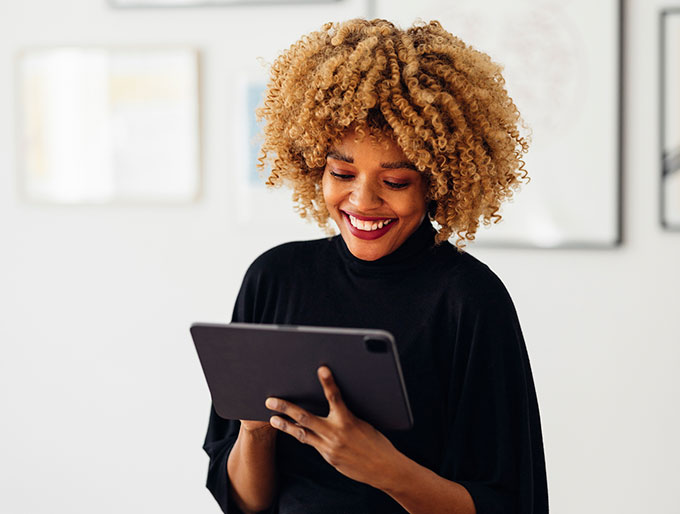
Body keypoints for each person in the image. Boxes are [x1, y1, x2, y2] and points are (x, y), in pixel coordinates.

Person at [202, 18, 549, 514]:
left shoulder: (468, 299)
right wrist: (253, 432)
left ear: (438, 181)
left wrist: (384, 470)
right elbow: (244, 504)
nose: (362, 202)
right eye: (342, 173)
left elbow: (510, 504)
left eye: (397, 181)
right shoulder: (274, 278)